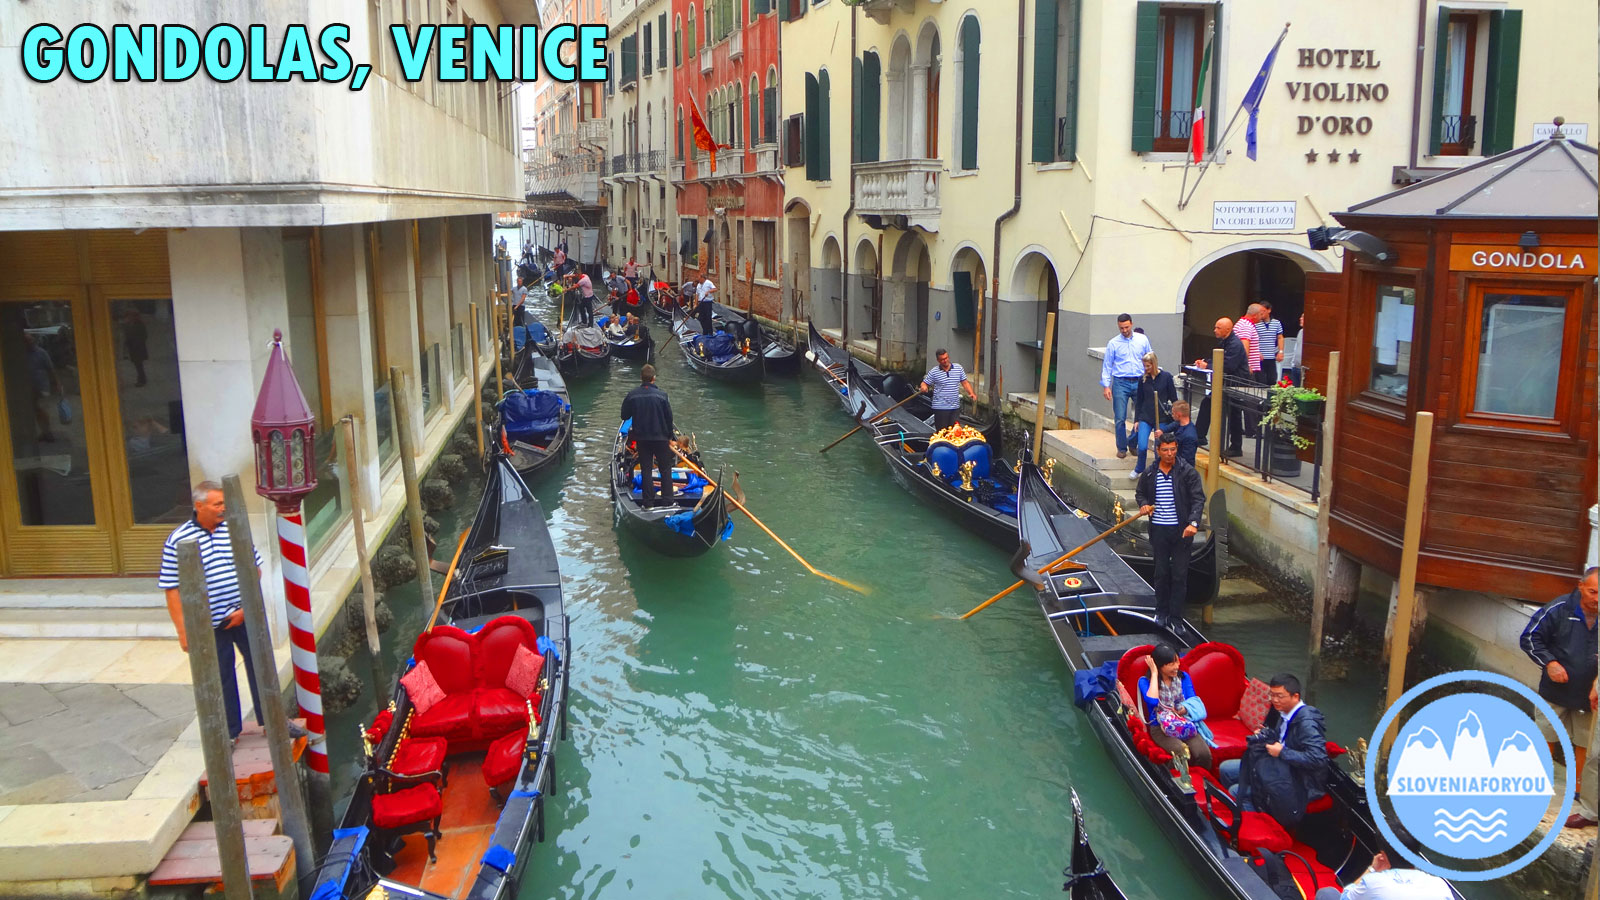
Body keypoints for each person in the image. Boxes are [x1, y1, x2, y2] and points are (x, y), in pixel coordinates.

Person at [159, 482, 265, 741]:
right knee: (222, 677)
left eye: (224, 504)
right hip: (210, 623)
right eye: (218, 504)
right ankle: (230, 733)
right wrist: (183, 633)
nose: (223, 509)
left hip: (244, 615)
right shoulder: (178, 540)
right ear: (199, 506)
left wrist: (245, 609)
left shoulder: (233, 530)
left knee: (261, 667)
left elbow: (255, 568)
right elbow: (172, 589)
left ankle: (271, 721)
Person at [1520, 566, 1598, 827]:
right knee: (1546, 735)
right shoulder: (1559, 608)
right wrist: (1550, 663)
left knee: (1584, 744)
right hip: (1556, 692)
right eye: (1593, 592)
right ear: (1580, 586)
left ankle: (1580, 792)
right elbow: (1530, 638)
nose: (1597, 598)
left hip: (1589, 696)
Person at [1219, 673, 1328, 813]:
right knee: (1226, 769)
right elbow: (1283, 738)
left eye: (1280, 696)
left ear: (1295, 696)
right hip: (1281, 766)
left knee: (1236, 791)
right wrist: (1268, 734)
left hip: (1301, 782)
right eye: (1272, 695)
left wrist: (1283, 752)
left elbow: (1318, 758)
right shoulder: (1284, 712)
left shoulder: (1307, 724)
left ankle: (1259, 822)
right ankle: (1241, 809)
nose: (1274, 700)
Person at [1136, 433, 1205, 627]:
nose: (1169, 453)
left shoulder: (1187, 472)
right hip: (1159, 530)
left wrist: (1193, 523)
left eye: (1173, 449)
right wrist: (1143, 504)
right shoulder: (1150, 473)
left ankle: (1176, 618)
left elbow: (1198, 499)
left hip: (1181, 530)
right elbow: (1140, 493)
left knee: (1179, 575)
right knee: (1161, 573)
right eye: (1165, 450)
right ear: (1158, 451)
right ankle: (1161, 613)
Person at [1138, 643, 1214, 778]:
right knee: (1180, 751)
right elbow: (1152, 701)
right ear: (1160, 665)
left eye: (1177, 662)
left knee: (1203, 753)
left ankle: (1202, 779)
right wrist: (1155, 673)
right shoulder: (1145, 681)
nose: (1177, 666)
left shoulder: (1183, 677)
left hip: (1183, 723)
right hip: (1160, 728)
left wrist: (1184, 709)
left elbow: (1192, 699)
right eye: (1171, 664)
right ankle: (1173, 781)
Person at [1192, 318, 1251, 458]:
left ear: (1227, 330)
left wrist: (1208, 366)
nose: (1215, 330)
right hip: (1225, 383)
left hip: (1234, 384)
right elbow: (1219, 359)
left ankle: (1235, 447)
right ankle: (1199, 436)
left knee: (1233, 414)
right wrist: (1206, 362)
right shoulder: (1225, 341)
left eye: (1218, 328)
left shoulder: (1235, 344)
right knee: (1208, 404)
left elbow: (1229, 365)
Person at [620, 365, 676, 507]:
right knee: (665, 469)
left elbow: (624, 415)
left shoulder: (632, 395)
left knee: (646, 469)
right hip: (661, 438)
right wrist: (670, 437)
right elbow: (669, 419)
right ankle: (668, 502)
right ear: (654, 378)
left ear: (641, 378)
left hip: (642, 439)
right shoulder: (663, 396)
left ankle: (648, 503)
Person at [1100, 314, 1153, 460]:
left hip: (1139, 381)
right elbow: (1107, 365)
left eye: (1127, 327)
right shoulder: (1113, 343)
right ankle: (1121, 448)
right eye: (1121, 328)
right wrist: (1106, 386)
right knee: (1120, 417)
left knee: (1142, 416)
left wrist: (1152, 377)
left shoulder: (1142, 340)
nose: (1124, 330)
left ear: (1132, 324)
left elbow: (1150, 357)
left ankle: (1132, 443)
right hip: (1120, 382)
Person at [1312, 852, 1454, 900]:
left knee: (1327, 894)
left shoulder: (1373, 882)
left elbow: (1345, 896)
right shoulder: (1440, 884)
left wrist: (1372, 869)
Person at [1129, 352, 1177, 479]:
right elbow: (1139, 400)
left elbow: (1174, 398)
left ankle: (1157, 471)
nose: (1146, 369)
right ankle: (1139, 468)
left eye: (1148, 366)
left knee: (1158, 447)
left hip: (1161, 417)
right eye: (1144, 366)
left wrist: (1176, 414)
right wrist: (1137, 420)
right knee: (1143, 445)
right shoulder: (1143, 380)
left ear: (1154, 364)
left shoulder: (1166, 377)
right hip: (1145, 416)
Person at [919, 348, 979, 431]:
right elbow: (924, 383)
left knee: (954, 432)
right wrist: (924, 387)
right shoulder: (934, 372)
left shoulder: (958, 368)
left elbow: (965, 382)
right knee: (942, 432)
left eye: (946, 358)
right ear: (938, 360)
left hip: (955, 407)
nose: (945, 361)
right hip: (940, 407)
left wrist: (971, 393)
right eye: (942, 359)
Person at [1153, 400, 1199, 467]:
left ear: (1178, 415)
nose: (1172, 415)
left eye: (1173, 413)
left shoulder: (1189, 436)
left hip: (1182, 470)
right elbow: (1173, 425)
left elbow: (1187, 460)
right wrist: (1162, 431)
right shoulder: (1180, 423)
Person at [1258, 301, 1284, 385]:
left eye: (1263, 310)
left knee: (1272, 379)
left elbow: (1280, 337)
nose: (1261, 313)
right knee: (1260, 380)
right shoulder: (1256, 323)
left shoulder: (1276, 323)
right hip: (1259, 357)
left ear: (1269, 310)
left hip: (1271, 356)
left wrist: (1280, 351)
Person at [123, 306, 150, 387]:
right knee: (137, 365)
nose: (128, 318)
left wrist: (136, 341)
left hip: (138, 348)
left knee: (139, 365)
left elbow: (144, 336)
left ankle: (142, 380)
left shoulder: (139, 325)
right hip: (133, 348)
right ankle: (141, 379)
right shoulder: (128, 325)